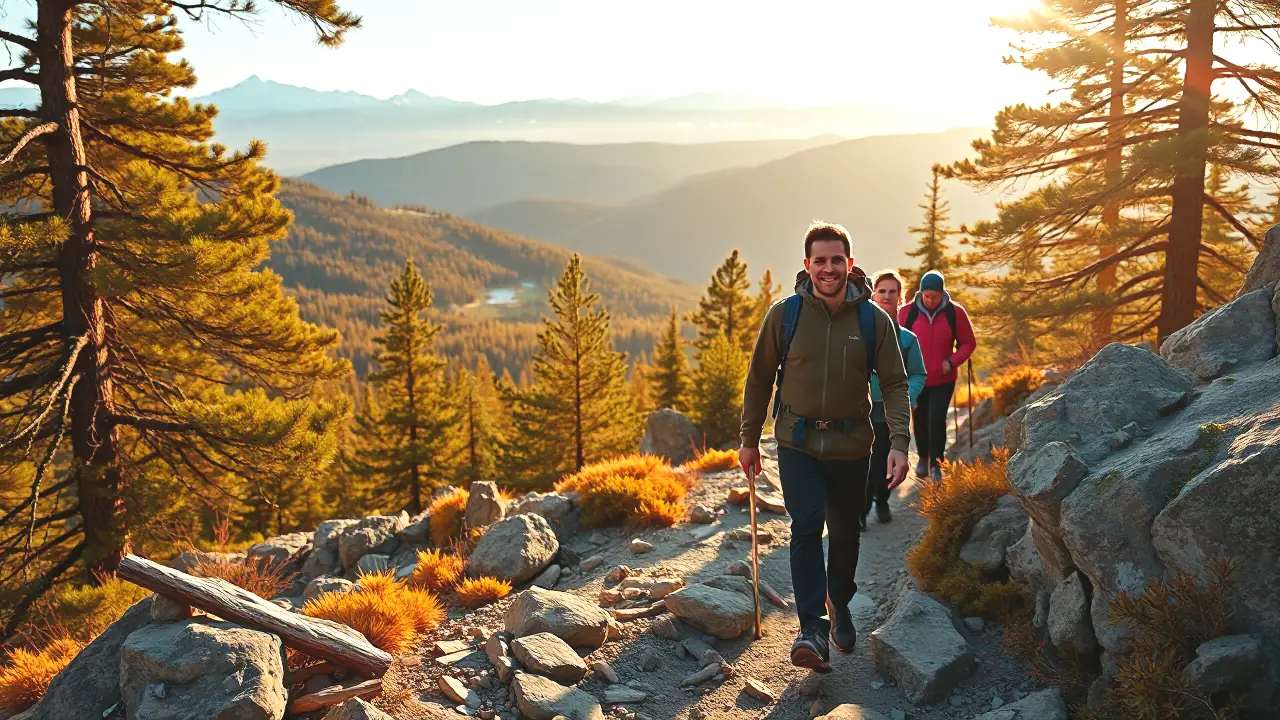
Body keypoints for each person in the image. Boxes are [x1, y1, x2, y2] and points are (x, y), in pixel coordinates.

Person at [739, 222, 911, 673]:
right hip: (796, 442)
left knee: (847, 532)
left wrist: (899, 442)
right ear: (807, 264)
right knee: (806, 526)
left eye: (837, 260)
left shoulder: (873, 320)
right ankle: (812, 629)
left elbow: (895, 384)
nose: (828, 269)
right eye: (820, 261)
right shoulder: (786, 315)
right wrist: (749, 439)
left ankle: (840, 600)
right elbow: (759, 378)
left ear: (850, 264)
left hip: (852, 445)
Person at [897, 270, 976, 482]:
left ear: (942, 293)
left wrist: (951, 361)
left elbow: (968, 343)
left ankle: (937, 464)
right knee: (920, 419)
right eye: (926, 296)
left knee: (937, 419)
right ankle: (923, 458)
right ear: (920, 293)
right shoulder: (907, 313)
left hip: (943, 378)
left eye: (934, 296)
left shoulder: (955, 313)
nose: (930, 300)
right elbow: (897, 342)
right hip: (916, 378)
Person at [863, 269, 926, 530]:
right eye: (881, 291)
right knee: (863, 462)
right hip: (860, 410)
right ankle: (861, 509)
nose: (886, 296)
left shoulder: (908, 340)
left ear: (901, 298)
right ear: (873, 296)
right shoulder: (860, 335)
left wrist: (904, 395)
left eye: (892, 292)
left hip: (890, 413)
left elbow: (918, 374)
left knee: (882, 460)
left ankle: (882, 501)